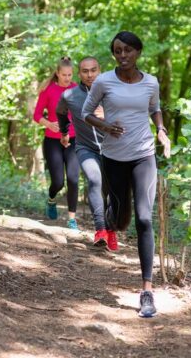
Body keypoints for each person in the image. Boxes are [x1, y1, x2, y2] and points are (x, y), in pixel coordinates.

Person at [82, 31, 171, 318]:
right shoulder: (104, 81)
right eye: (118, 51)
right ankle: (112, 216)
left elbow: (155, 108)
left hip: (144, 156)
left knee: (144, 219)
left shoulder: (151, 82)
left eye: (128, 51)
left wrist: (161, 131)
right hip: (113, 157)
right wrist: (105, 127)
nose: (122, 56)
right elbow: (86, 113)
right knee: (121, 220)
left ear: (138, 52)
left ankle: (146, 291)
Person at [56, 57, 109, 247]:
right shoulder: (70, 96)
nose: (90, 75)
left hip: (113, 149)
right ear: (79, 74)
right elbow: (60, 112)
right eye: (85, 71)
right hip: (86, 148)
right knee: (94, 180)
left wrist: (108, 115)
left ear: (99, 71)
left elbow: (129, 116)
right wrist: (64, 132)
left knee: (111, 191)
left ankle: (110, 228)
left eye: (93, 70)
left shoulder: (111, 92)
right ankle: (101, 230)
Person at [33, 57, 80, 229]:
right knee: (59, 182)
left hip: (74, 140)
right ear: (57, 74)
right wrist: (49, 124)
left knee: (74, 179)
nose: (67, 78)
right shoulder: (48, 90)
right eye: (64, 75)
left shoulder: (77, 89)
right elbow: (37, 114)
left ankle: (72, 220)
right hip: (53, 141)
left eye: (70, 75)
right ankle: (51, 199)